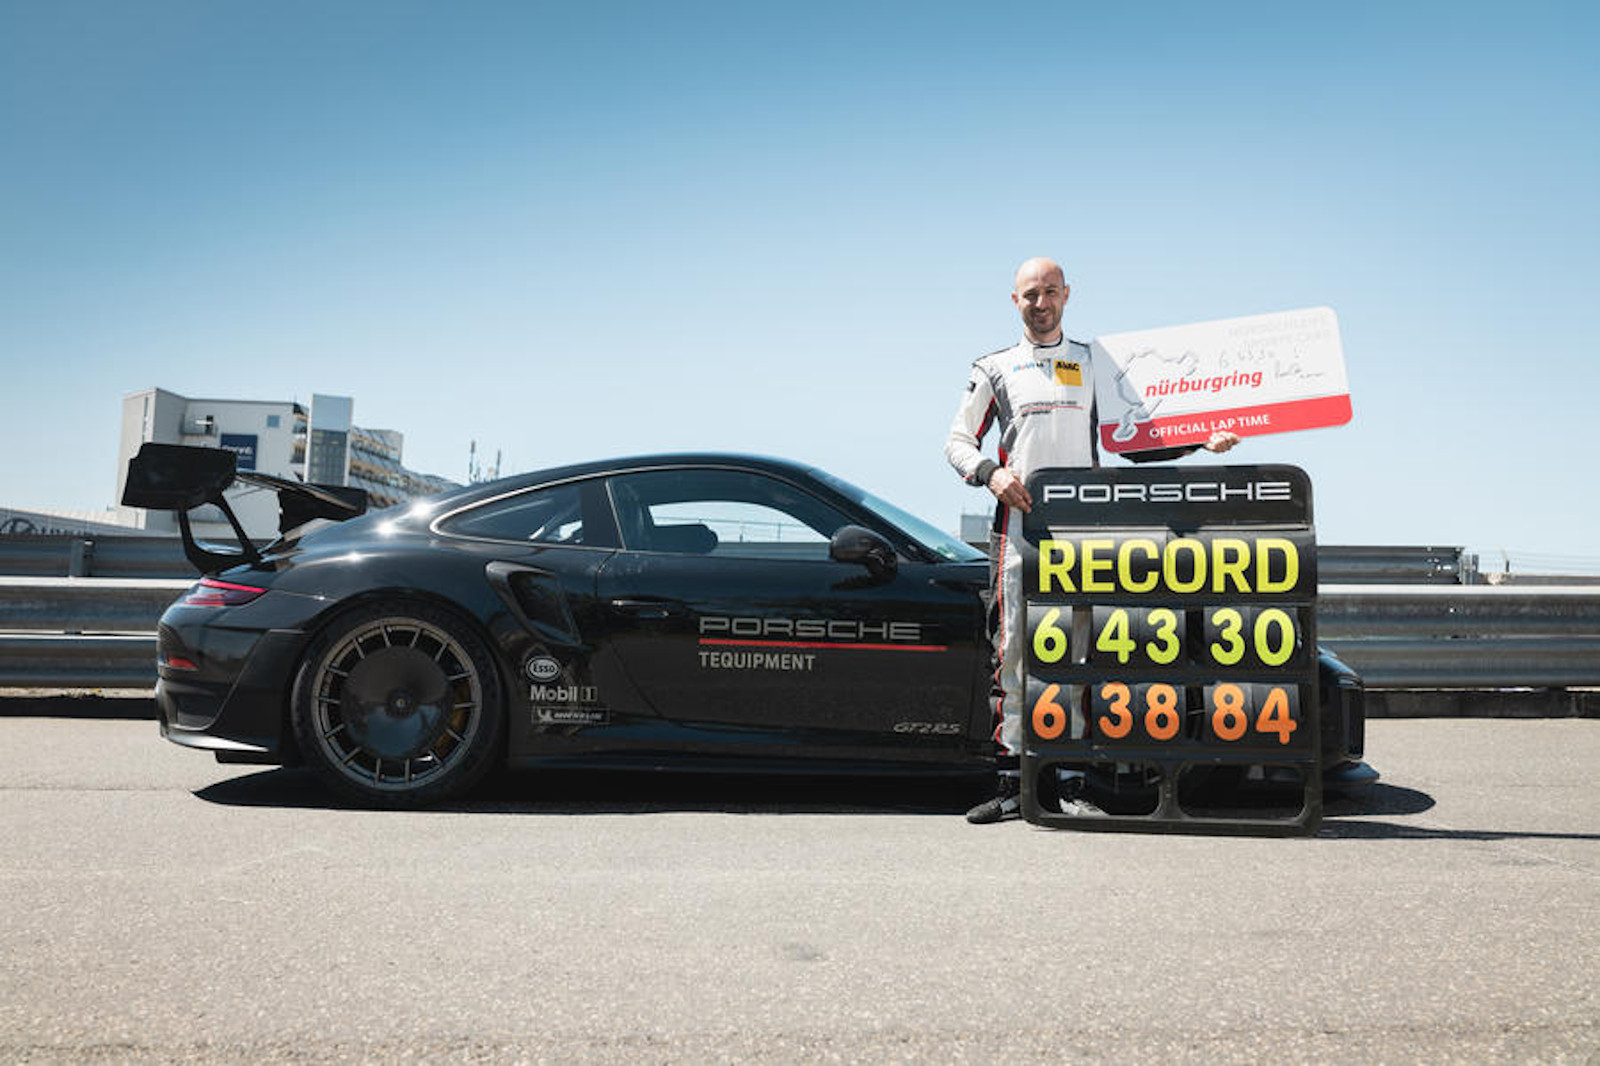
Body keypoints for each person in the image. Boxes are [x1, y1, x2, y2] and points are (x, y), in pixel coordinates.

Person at [945, 257, 1238, 823]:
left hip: (1085, 541)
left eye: (1050, 291)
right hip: (1018, 535)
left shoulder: (1094, 362)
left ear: (1067, 295)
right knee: (1015, 656)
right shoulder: (993, 368)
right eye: (1030, 293)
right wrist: (991, 473)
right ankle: (1014, 782)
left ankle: (1075, 780)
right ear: (1014, 301)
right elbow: (957, 440)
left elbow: (1137, 440)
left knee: (1083, 656)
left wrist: (1201, 441)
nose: (1041, 302)